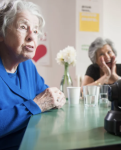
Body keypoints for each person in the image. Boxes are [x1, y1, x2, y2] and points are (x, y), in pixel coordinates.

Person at [0, 0, 66, 149]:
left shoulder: (27, 65)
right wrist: (35, 105)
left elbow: (44, 95)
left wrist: (56, 98)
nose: (32, 36)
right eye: (23, 27)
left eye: (35, 31)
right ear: (1, 33)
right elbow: (38, 103)